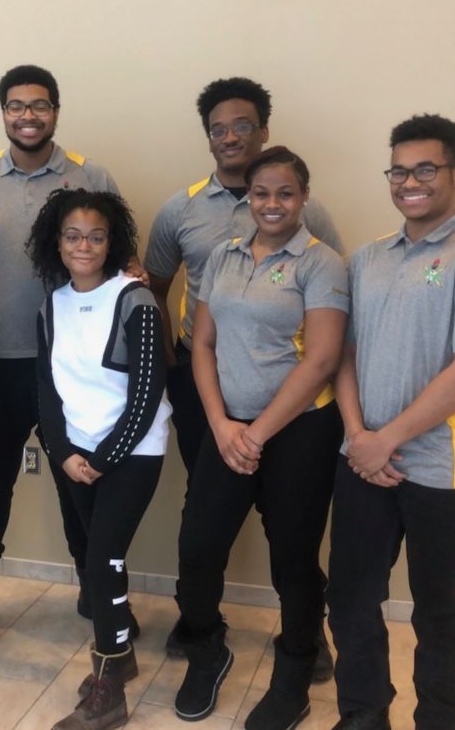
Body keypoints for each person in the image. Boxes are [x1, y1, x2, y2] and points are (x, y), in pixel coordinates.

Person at [327, 115, 455, 730]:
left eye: (426, 169)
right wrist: (359, 436)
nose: (410, 181)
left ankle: (439, 719)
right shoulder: (367, 259)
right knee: (350, 596)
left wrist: (387, 439)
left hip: (446, 465)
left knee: (439, 606)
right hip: (364, 460)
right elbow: (345, 355)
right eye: (400, 170)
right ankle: (363, 713)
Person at [144, 78, 343, 667]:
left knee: (293, 539)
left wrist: (255, 432)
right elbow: (162, 290)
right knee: (202, 528)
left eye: (242, 126)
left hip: (297, 416)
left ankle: (304, 639)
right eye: (219, 128)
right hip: (214, 401)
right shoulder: (191, 218)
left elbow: (326, 341)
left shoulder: (318, 246)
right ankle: (199, 626)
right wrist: (193, 382)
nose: (230, 136)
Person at [0, 64, 128, 652]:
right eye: (16, 106)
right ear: (3, 113)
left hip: (72, 365)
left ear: (56, 112)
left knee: (81, 484)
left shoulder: (89, 174)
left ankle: (97, 592)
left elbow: (115, 254)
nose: (27, 116)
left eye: (39, 106)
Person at [172, 147, 349, 729]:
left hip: (300, 432)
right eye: (262, 193)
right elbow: (201, 344)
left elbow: (322, 359)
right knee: (198, 548)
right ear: (248, 197)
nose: (272, 204)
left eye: (286, 193)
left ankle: (295, 670)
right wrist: (223, 425)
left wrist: (257, 432)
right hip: (228, 428)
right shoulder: (223, 257)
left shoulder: (321, 263)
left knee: (293, 560)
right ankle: (207, 649)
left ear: (303, 198)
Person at [28, 189, 171, 730]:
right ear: (57, 244)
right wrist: (62, 452)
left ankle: (108, 686)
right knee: (91, 550)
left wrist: (105, 457)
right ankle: (123, 651)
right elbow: (46, 388)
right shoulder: (52, 304)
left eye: (96, 235)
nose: (83, 245)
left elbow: (148, 390)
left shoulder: (134, 298)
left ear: (112, 242)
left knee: (103, 557)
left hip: (132, 450)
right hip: (76, 453)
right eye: (72, 235)